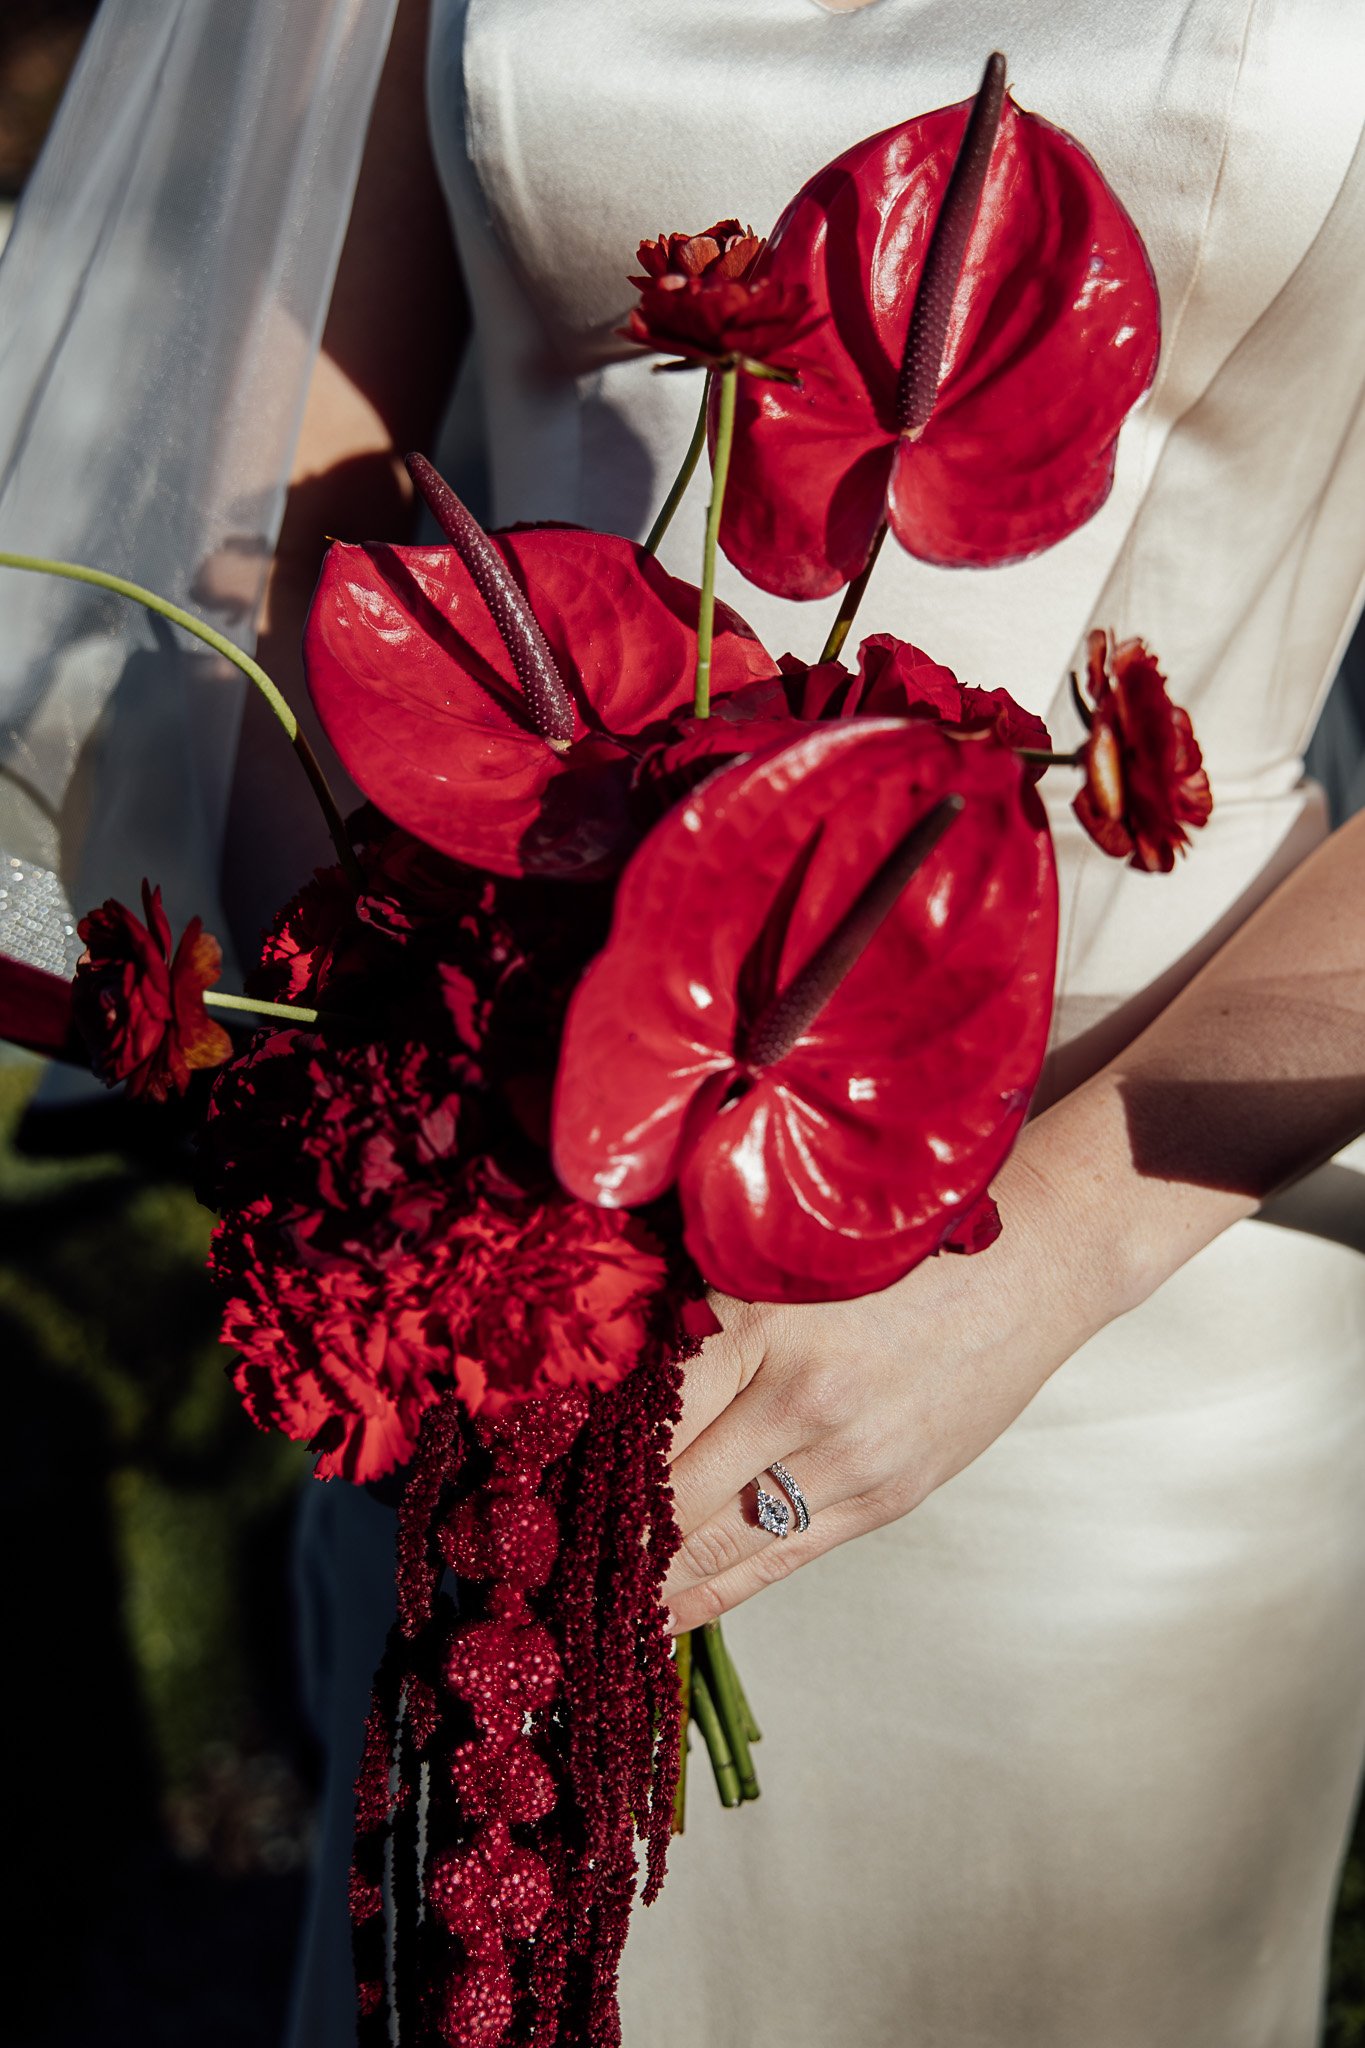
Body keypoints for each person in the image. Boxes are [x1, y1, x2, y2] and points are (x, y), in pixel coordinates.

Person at [266, 2, 1365, 2042]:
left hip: (1130, 1271)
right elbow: (311, 459)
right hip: (526, 1233)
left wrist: (1020, 1278)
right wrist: (410, 1126)